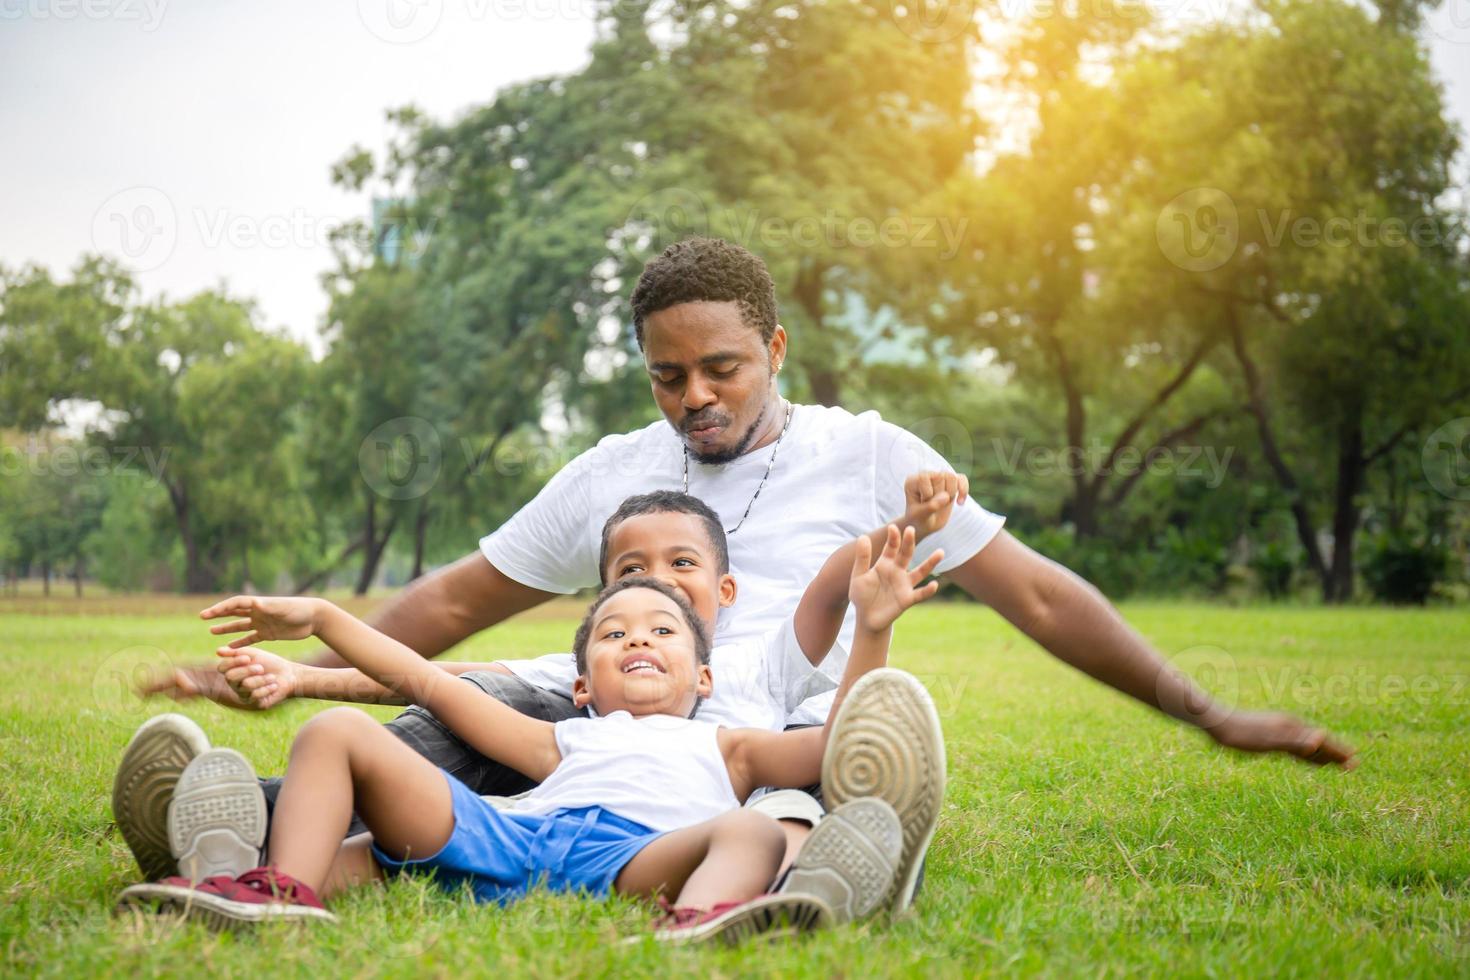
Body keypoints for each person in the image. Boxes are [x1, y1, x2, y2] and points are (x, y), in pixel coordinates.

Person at [142, 236, 1355, 916]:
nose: (696, 399)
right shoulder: (618, 468)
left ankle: (830, 856)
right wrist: (297, 667)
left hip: (761, 721)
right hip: (592, 710)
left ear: (774, 348)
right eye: (669, 378)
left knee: (802, 793)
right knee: (446, 721)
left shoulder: (871, 453)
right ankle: (225, 823)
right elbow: (455, 605)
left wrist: (1205, 709)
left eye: (721, 367)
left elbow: (1036, 593)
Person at [113, 478, 963, 924]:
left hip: (634, 858)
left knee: (750, 826)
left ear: (703, 676)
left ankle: (710, 921)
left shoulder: (731, 742)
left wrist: (874, 622)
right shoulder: (561, 738)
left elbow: (835, 744)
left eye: (663, 632)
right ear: (581, 682)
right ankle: (274, 892)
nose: (639, 634)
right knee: (340, 737)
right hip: (511, 838)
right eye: (616, 624)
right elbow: (429, 680)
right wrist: (324, 620)